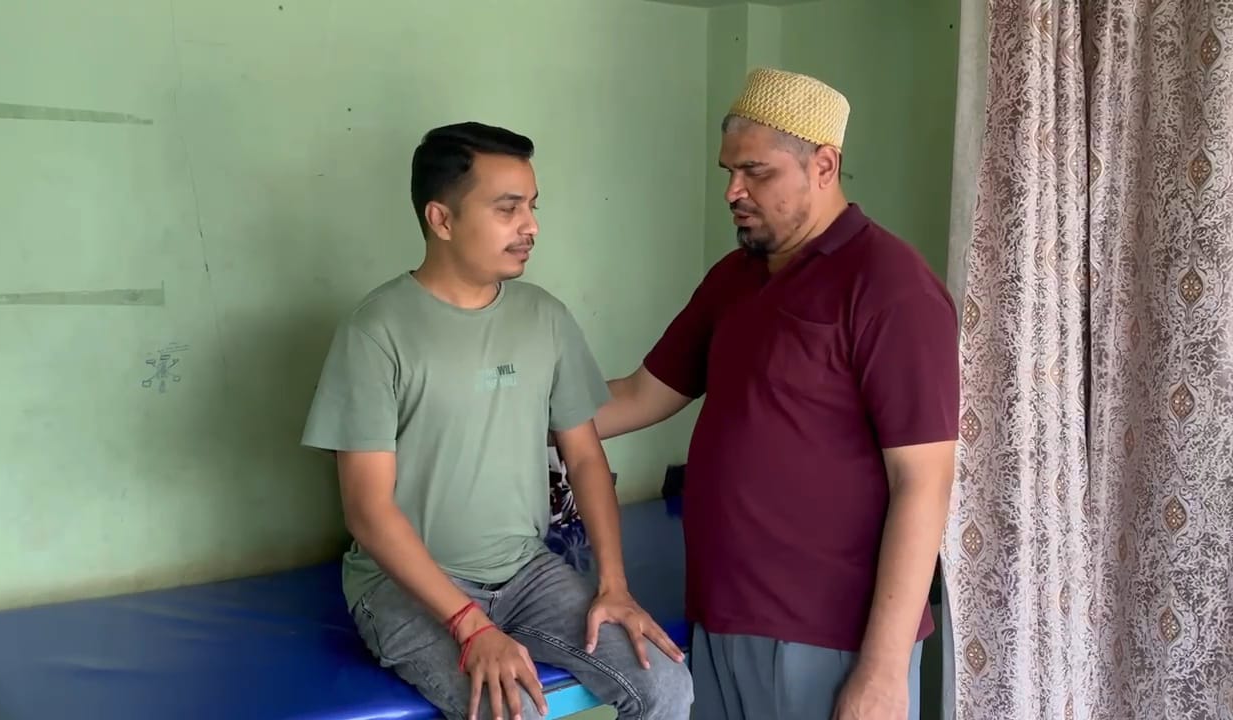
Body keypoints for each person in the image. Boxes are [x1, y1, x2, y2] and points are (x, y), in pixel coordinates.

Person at [593, 68, 960, 720]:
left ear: (824, 166)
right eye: (729, 171)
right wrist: (500, 414)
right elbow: (641, 394)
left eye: (755, 172)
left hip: (830, 641)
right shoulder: (735, 278)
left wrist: (881, 673)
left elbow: (923, 483)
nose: (732, 191)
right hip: (720, 620)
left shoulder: (890, 285)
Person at [301, 121, 693, 720]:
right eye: (508, 209)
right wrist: (470, 625)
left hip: (526, 572)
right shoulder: (376, 332)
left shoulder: (545, 318)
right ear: (441, 219)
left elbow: (585, 456)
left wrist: (614, 584)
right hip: (405, 586)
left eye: (532, 206)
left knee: (667, 684)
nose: (530, 226)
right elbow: (367, 510)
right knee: (514, 711)